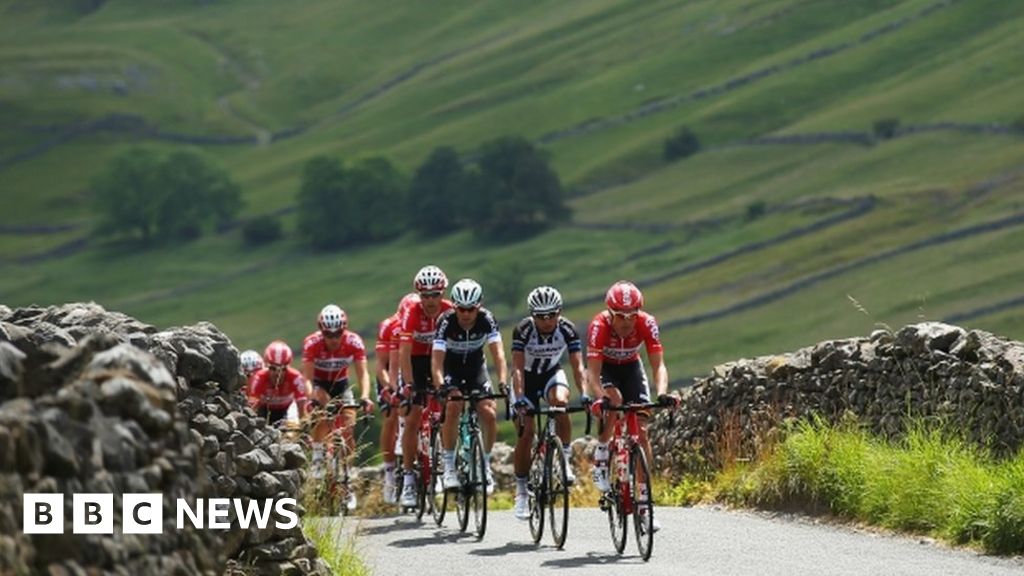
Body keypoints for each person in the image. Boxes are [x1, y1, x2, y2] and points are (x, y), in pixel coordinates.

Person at [587, 280, 678, 532]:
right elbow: (591, 374)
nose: (627, 322)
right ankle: (603, 453)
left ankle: (645, 506)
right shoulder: (599, 325)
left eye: (632, 315)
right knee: (614, 403)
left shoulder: (647, 322)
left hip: (631, 367)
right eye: (620, 316)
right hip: (605, 369)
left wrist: (662, 393)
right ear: (610, 313)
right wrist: (599, 397)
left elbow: (658, 364)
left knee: (642, 432)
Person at [510, 286, 587, 520]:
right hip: (525, 378)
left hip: (551, 374)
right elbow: (516, 368)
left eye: (551, 314)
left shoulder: (567, 329)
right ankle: (522, 491)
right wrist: (521, 397)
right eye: (540, 316)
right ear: (532, 316)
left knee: (560, 402)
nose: (546, 321)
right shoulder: (523, 330)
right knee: (527, 433)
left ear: (559, 312)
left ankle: (564, 458)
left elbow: (577, 366)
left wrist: (584, 393)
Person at [432, 278, 507, 495]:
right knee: (454, 406)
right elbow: (436, 362)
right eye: (461, 309)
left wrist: (502, 381)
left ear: (479, 306)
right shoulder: (445, 322)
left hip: (475, 369)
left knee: (489, 413)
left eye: (471, 309)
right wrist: (440, 386)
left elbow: (499, 355)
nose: (466, 314)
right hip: (451, 370)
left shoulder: (487, 320)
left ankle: (485, 464)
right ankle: (448, 466)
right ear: (454, 306)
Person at [302, 304, 374, 505]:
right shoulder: (312, 343)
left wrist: (366, 396)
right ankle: (317, 454)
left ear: (344, 330)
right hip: (319, 385)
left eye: (338, 333)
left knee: (349, 428)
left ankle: (348, 476)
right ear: (321, 331)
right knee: (324, 410)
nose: (333, 339)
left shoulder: (353, 341)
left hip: (342, 385)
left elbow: (363, 373)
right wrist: (311, 398)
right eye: (328, 334)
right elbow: (306, 378)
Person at [398, 265, 453, 507]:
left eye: (435, 294)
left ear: (443, 293)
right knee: (414, 416)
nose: (431, 300)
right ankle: (409, 479)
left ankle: (445, 461)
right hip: (416, 363)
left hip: (441, 360)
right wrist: (409, 385)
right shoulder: (412, 312)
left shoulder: (450, 310)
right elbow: (404, 352)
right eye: (425, 295)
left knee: (452, 406)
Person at [375, 292, 419, 504]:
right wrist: (392, 389)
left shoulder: (424, 321)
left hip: (412, 367)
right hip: (388, 373)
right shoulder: (390, 326)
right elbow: (384, 366)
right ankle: (390, 472)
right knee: (392, 415)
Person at [248, 340, 310, 425]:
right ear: (267, 366)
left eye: (282, 369)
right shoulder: (259, 378)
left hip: (286, 411)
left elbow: (302, 410)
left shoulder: (295, 377)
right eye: (273, 368)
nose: (277, 374)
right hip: (263, 411)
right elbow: (252, 408)